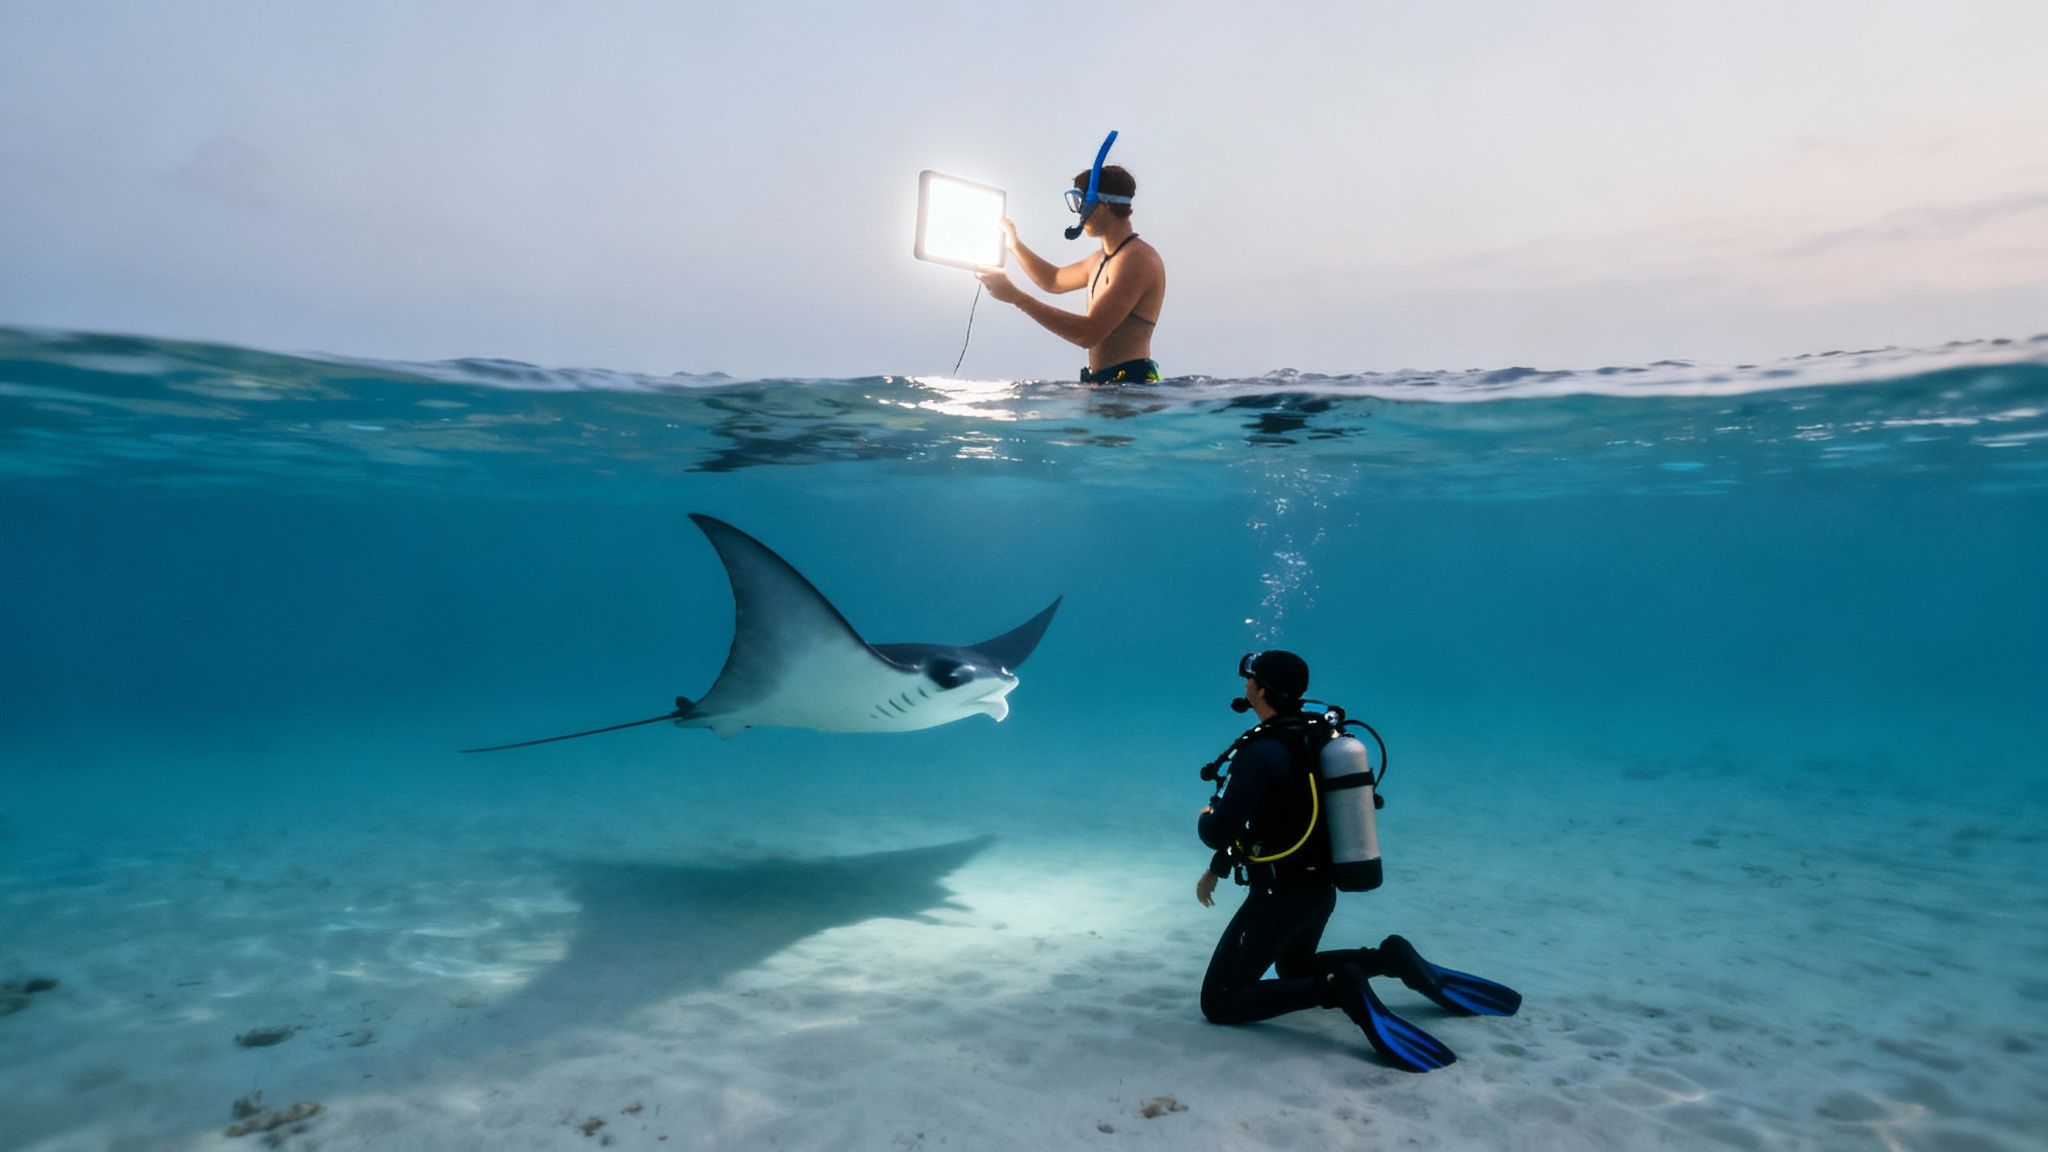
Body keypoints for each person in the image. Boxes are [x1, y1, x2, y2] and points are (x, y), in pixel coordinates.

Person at [1195, 650, 1523, 1072]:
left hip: (1279, 899)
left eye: (1250, 680)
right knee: (1293, 965)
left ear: (1260, 690)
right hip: (1318, 893)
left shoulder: (1261, 752)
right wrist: (1219, 868)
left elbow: (1222, 829)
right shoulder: (1319, 739)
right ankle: (1389, 960)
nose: (1245, 686)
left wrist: (1204, 821)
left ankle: (1340, 988)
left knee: (1220, 1001)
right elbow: (1275, 822)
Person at [974, 162, 1166, 384]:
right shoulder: (1100, 259)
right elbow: (1053, 280)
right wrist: (1014, 245)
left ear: (1102, 206)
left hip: (1133, 383)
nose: (1078, 213)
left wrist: (1017, 298)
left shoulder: (1138, 260)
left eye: (1080, 203)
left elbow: (1089, 333)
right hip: (1105, 383)